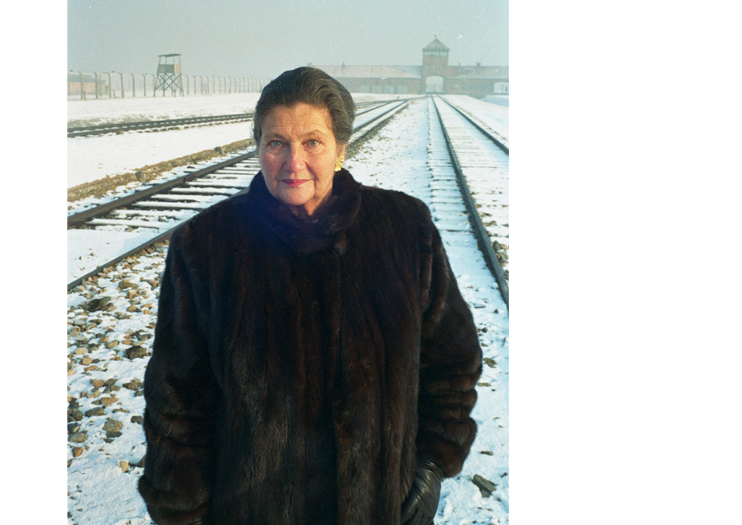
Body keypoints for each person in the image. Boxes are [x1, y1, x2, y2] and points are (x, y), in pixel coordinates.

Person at [138, 67, 483, 525]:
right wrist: (183, 512)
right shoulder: (206, 246)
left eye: (312, 142)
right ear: (258, 146)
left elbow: (453, 361)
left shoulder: (403, 228)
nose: (292, 162)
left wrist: (431, 465)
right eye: (276, 142)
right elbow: (176, 399)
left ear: (340, 149)